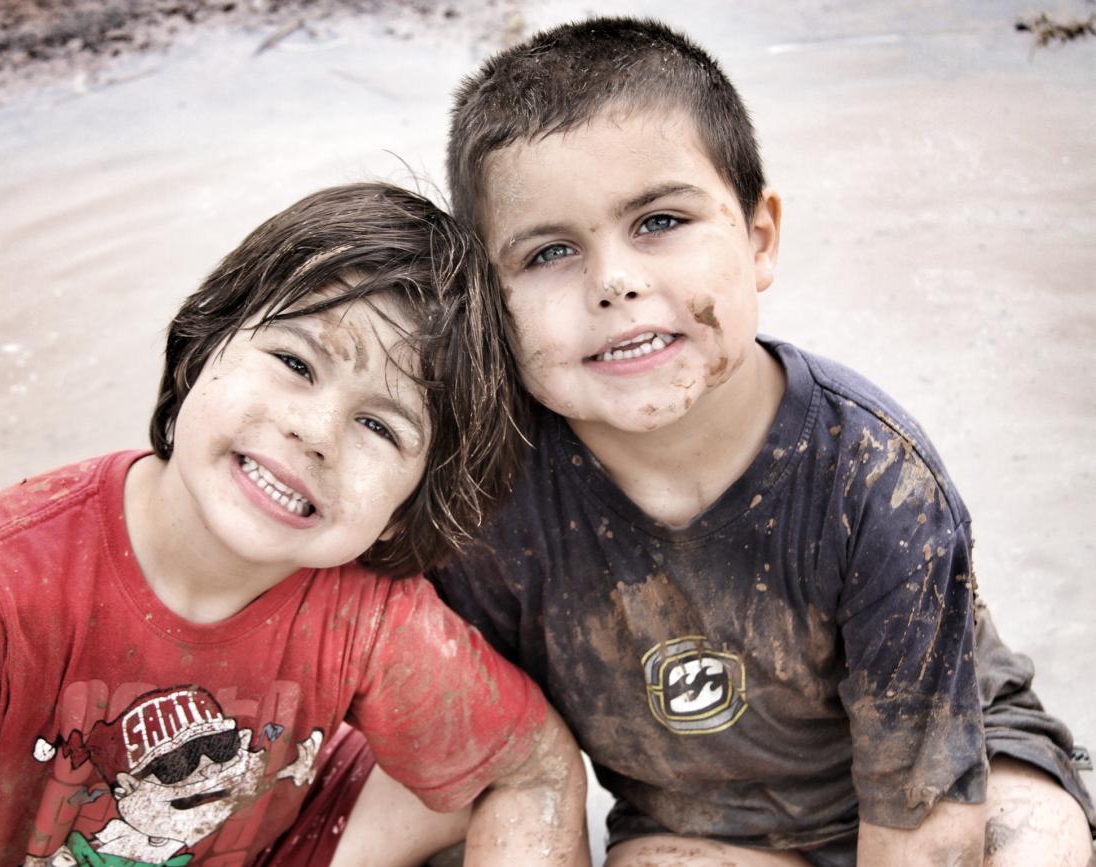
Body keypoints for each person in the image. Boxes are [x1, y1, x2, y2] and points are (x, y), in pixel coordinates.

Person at [429, 16, 1096, 867]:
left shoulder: (873, 479)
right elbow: (489, 759)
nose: (615, 282)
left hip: (958, 774)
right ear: (490, 304)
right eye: (551, 251)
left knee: (1033, 847)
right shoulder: (491, 504)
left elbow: (930, 831)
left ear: (758, 237)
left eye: (660, 221)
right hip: (702, 829)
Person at [0, 182, 590, 867]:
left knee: (463, 782)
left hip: (268, 835)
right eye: (296, 362)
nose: (315, 431)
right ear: (200, 348)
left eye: (380, 427)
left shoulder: (366, 613)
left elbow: (534, 764)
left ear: (403, 514)